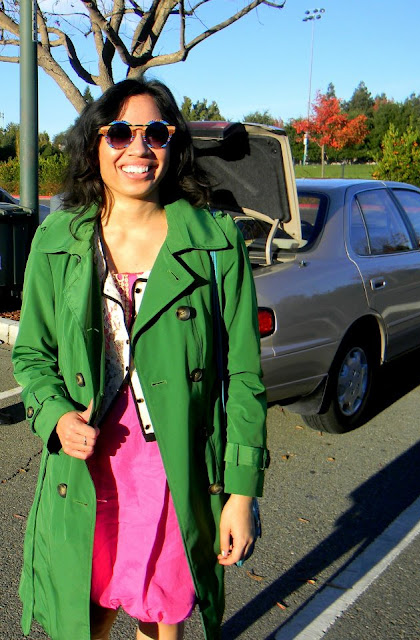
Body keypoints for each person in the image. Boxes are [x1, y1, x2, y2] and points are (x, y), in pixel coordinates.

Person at [12, 78, 268, 640]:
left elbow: (244, 376)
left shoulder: (216, 242)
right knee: (85, 616)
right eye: (120, 133)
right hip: (86, 469)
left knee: (160, 616)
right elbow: (32, 354)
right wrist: (54, 414)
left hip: (174, 471)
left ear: (173, 145)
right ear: (94, 144)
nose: (139, 148)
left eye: (156, 132)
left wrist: (242, 491)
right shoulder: (56, 239)